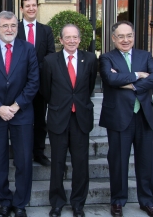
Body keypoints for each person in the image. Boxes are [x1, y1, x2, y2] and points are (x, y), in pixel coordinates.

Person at [0, 11, 39, 217]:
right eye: (5, 26)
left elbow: (33, 82)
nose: (9, 29)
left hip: (21, 113)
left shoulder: (28, 49)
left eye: (13, 25)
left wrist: (16, 105)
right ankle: (4, 201)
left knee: (23, 160)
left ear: (17, 27)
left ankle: (20, 203)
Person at [99, 21, 153, 217]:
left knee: (146, 162)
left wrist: (130, 84)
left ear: (133, 36)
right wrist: (137, 75)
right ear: (113, 38)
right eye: (121, 36)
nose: (125, 40)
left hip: (143, 116)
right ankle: (118, 201)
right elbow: (110, 80)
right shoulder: (106, 58)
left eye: (129, 36)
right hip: (118, 116)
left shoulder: (145, 55)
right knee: (118, 161)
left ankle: (147, 201)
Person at [41, 24, 97, 217]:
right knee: (57, 162)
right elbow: (46, 90)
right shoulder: (50, 61)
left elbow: (89, 87)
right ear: (61, 40)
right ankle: (56, 203)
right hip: (58, 117)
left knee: (81, 163)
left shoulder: (89, 59)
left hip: (80, 117)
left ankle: (78, 204)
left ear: (80, 40)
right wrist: (59, 104)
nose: (72, 40)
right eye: (68, 37)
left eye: (75, 37)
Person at [18, 0, 55, 167]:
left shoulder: (46, 30)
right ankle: (20, 152)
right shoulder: (14, 29)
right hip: (19, 85)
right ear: (21, 9)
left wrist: (34, 71)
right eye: (27, 6)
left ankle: (39, 153)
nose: (31, 8)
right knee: (20, 120)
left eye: (34, 5)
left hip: (40, 85)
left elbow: (50, 57)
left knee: (40, 120)